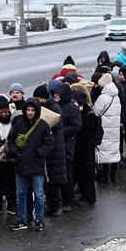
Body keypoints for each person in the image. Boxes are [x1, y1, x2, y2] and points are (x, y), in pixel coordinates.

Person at [7, 99, 52, 231]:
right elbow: (11, 140)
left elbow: (49, 143)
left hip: (34, 165)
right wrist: (16, 153)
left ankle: (38, 219)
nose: (30, 113)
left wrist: (38, 153)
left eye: (33, 110)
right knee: (21, 193)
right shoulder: (20, 124)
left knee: (37, 194)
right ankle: (23, 219)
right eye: (28, 110)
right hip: (23, 164)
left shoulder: (43, 125)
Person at [33, 85, 67, 217]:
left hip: (55, 149)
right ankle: (51, 205)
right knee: (48, 180)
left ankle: (57, 205)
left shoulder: (53, 109)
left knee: (54, 180)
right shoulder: (49, 107)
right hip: (50, 148)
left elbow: (56, 124)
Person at [54, 83, 82, 213]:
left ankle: (68, 200)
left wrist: (60, 132)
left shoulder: (71, 108)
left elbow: (76, 126)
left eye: (57, 93)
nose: (55, 96)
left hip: (67, 146)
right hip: (56, 146)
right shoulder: (56, 107)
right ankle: (59, 201)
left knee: (67, 175)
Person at [93, 73, 122, 184]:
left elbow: (96, 112)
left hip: (104, 127)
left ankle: (106, 177)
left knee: (105, 151)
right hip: (114, 127)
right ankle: (114, 175)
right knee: (114, 149)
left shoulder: (103, 98)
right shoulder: (116, 97)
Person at [71, 85, 98, 206]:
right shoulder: (83, 113)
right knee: (80, 173)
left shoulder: (89, 114)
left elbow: (88, 130)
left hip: (86, 147)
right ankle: (84, 195)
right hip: (81, 147)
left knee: (87, 174)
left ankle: (89, 197)